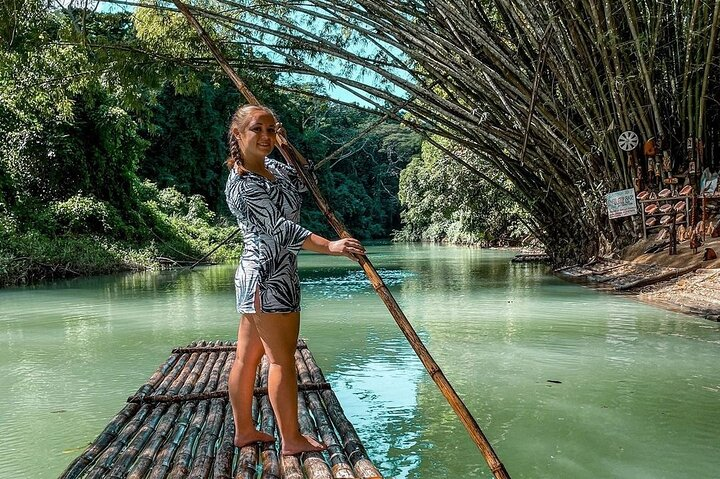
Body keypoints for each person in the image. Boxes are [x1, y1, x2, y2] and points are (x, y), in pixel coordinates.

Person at [224, 104, 365, 455]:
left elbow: (306, 179)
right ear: (238, 135)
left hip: (272, 275)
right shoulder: (242, 184)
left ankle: (245, 431)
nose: (266, 137)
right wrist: (331, 246)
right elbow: (280, 229)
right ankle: (291, 439)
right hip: (267, 277)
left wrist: (288, 145)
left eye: (272, 130)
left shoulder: (273, 167)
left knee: (248, 357)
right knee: (281, 360)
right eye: (258, 129)